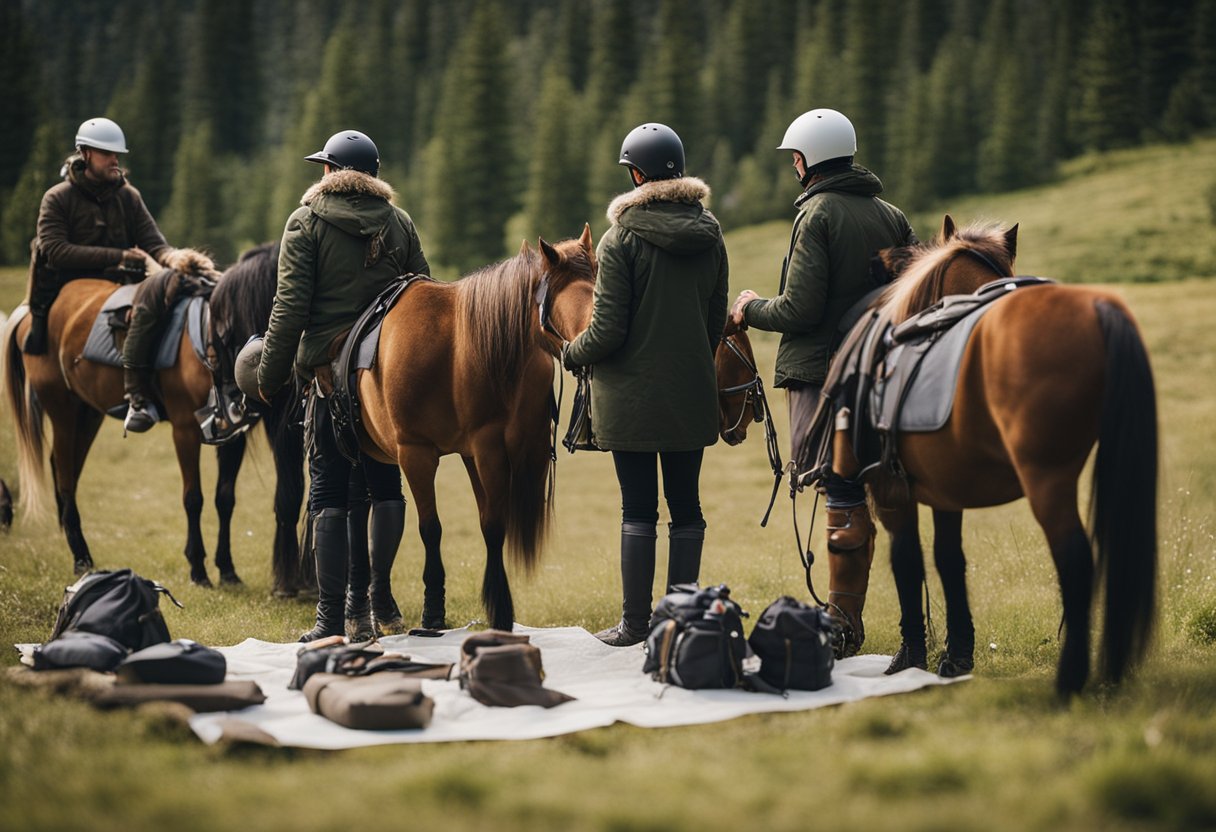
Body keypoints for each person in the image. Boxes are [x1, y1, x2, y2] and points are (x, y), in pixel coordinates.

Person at [253, 129, 429, 642]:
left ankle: (331, 621)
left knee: (327, 490)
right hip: (385, 376)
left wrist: (268, 376)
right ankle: (378, 603)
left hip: (329, 377)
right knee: (384, 487)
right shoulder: (399, 222)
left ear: (331, 172)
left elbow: (288, 311)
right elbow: (423, 294)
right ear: (371, 175)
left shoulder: (305, 222)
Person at [563, 123, 729, 647]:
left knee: (638, 509)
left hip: (630, 403)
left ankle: (636, 625)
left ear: (637, 174)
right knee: (687, 507)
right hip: (692, 395)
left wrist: (572, 352)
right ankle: (680, 622)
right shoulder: (711, 233)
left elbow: (607, 329)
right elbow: (714, 320)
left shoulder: (621, 239)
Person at [730, 108, 917, 571]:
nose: (794, 166)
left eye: (795, 158)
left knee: (838, 487)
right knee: (882, 491)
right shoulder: (892, 215)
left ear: (809, 160)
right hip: (886, 371)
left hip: (822, 375)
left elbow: (800, 309)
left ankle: (842, 616)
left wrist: (750, 307)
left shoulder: (816, 214)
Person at [23, 117, 183, 433]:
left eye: (117, 155)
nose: (115, 161)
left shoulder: (128, 196)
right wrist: (121, 256)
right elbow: (56, 251)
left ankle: (145, 392)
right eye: (106, 154)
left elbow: (154, 243)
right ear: (85, 154)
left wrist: (177, 259)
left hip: (117, 291)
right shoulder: (57, 198)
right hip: (64, 291)